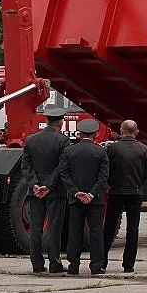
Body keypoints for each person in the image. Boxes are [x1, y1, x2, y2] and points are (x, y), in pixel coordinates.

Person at [20, 108, 70, 274]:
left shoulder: (31, 140)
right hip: (55, 192)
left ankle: (37, 264)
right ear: (60, 123)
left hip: (34, 192)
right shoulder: (63, 141)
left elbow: (26, 166)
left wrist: (35, 184)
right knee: (54, 227)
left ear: (47, 121)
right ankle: (55, 263)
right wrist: (48, 186)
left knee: (36, 228)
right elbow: (62, 167)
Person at [59, 118, 109, 275]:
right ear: (95, 134)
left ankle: (73, 265)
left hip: (75, 199)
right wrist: (92, 194)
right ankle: (96, 266)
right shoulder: (101, 152)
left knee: (75, 231)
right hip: (96, 199)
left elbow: (64, 173)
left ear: (80, 134)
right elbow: (103, 176)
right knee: (96, 231)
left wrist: (76, 192)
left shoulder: (69, 151)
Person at [102, 120, 147, 273]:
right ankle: (128, 264)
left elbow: (107, 169)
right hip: (135, 192)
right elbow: (146, 172)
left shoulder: (113, 148)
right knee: (133, 229)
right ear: (136, 132)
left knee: (109, 228)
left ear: (121, 131)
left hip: (116, 191)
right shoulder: (143, 149)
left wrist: (110, 184)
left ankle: (102, 261)